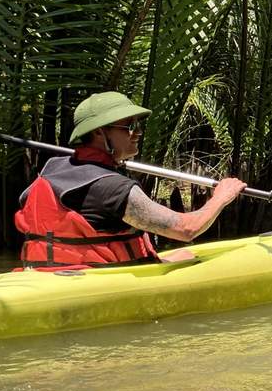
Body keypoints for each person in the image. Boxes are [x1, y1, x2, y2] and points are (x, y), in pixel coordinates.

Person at [14, 91, 246, 268]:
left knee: (184, 255)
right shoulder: (110, 187)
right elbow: (186, 229)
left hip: (49, 272)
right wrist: (222, 196)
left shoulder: (54, 169)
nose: (138, 133)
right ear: (99, 132)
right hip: (93, 281)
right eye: (129, 126)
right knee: (186, 251)